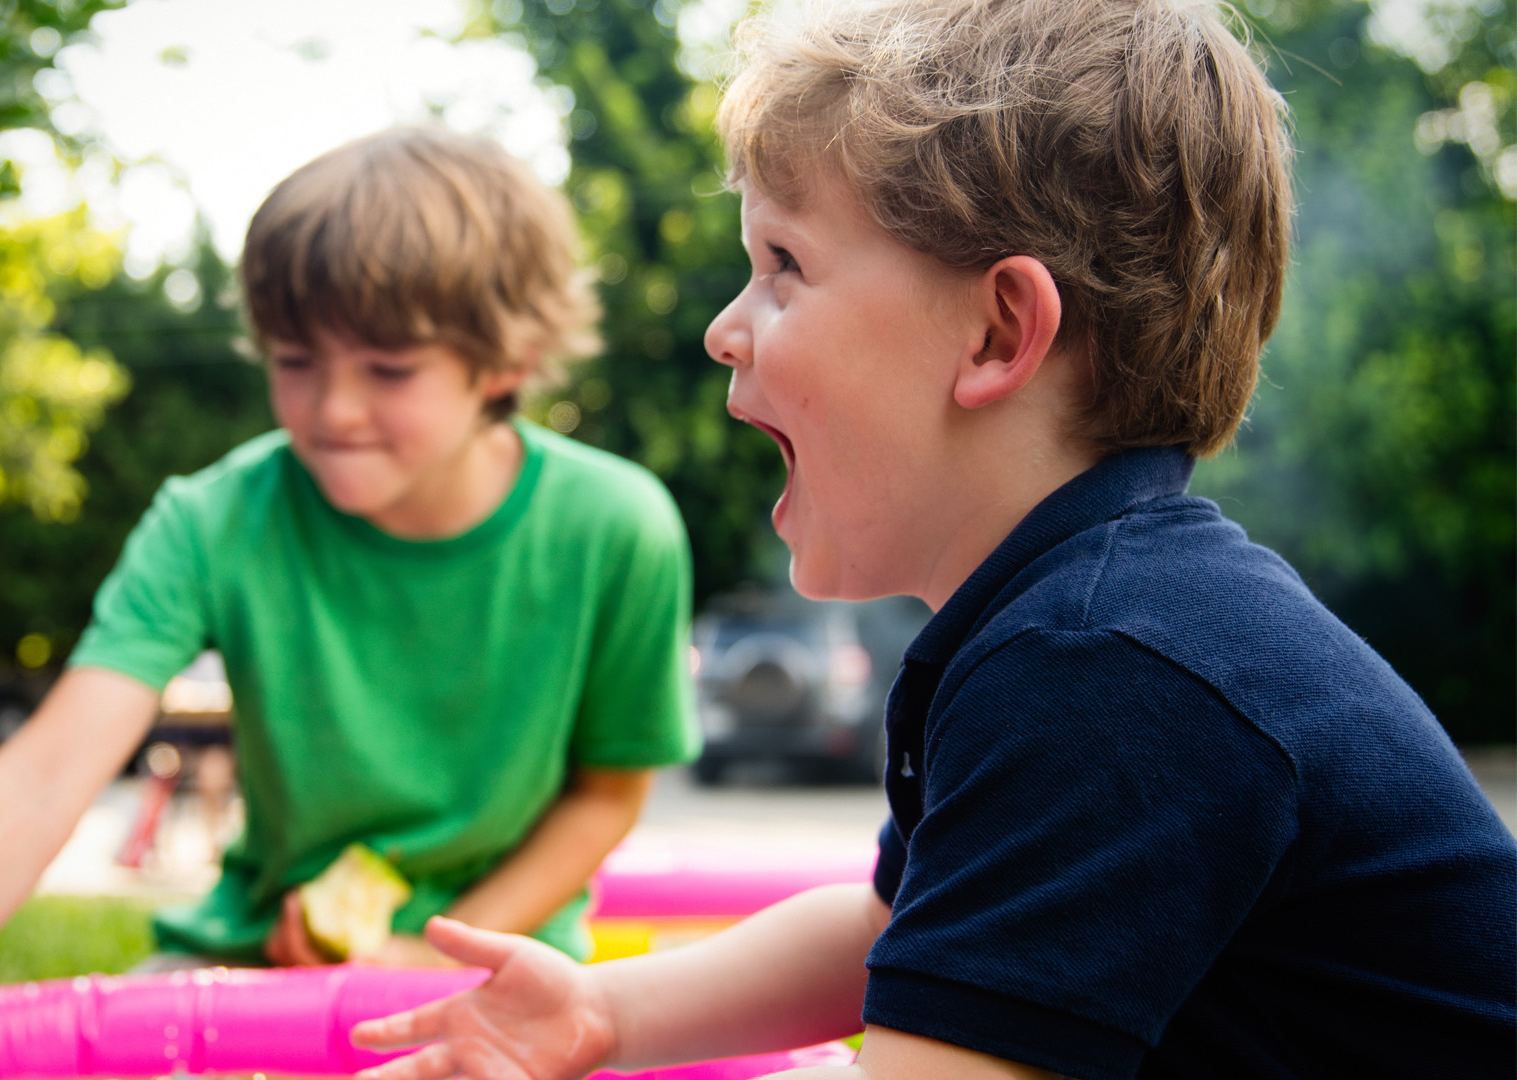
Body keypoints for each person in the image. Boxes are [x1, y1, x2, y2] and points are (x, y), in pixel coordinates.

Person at [349, 2, 1517, 1078]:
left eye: (783, 267)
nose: (722, 330)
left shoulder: (1107, 669)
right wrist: (608, 1016)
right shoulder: (1087, 619)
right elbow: (889, 931)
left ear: (999, 330)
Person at [0, 126, 700, 1079]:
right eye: (295, 360)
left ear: (507, 361)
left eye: (388, 370)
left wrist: (432, 949)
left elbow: (605, 793)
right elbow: (42, 779)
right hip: (251, 959)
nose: (331, 410)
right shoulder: (213, 519)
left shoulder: (616, 527)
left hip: (505, 972)